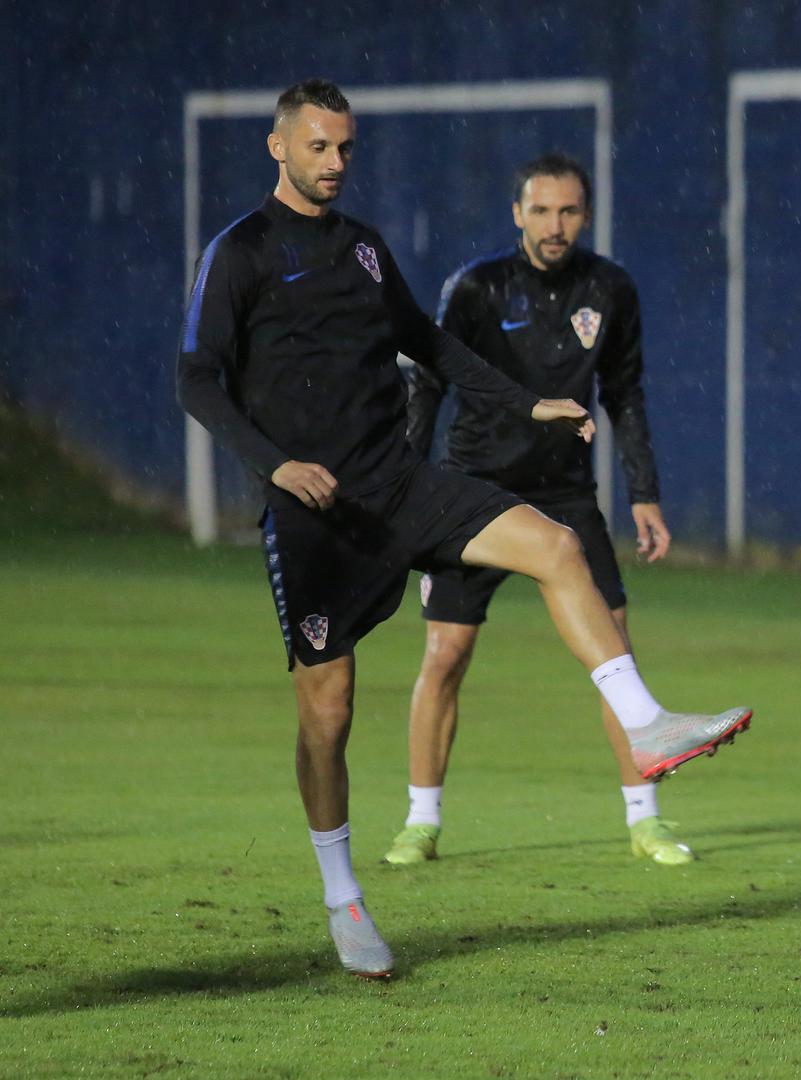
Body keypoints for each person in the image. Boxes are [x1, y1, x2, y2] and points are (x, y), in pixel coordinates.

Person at [176, 79, 751, 979]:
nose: (335, 164)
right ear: (278, 147)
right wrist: (276, 466)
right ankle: (343, 895)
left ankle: (643, 726)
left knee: (557, 546)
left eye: (345, 149)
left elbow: (430, 345)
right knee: (327, 714)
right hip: (314, 512)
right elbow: (198, 380)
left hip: (399, 482)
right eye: (319, 148)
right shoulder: (240, 252)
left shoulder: (364, 250)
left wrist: (527, 402)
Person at [383, 153, 692, 868]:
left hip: (563, 495)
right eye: (542, 211)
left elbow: (625, 392)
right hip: (472, 491)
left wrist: (643, 491)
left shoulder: (609, 288)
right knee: (446, 653)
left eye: (569, 212)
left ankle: (645, 820)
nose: (556, 226)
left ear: (585, 215)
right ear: (517, 214)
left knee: (614, 647)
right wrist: (402, 489)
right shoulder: (475, 288)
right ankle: (420, 821)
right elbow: (427, 385)